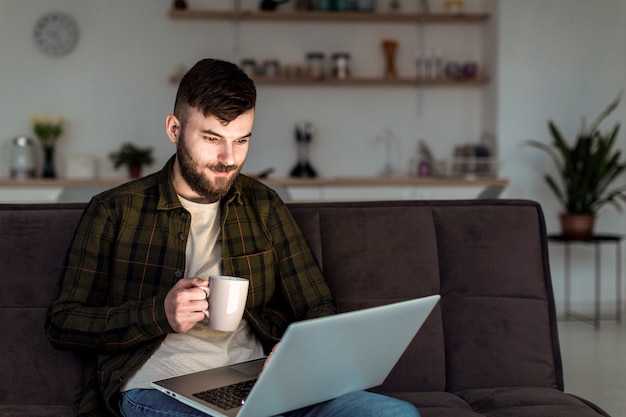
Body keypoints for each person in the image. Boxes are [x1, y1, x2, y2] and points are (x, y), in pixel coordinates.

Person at [45, 58, 420, 417]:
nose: (228, 158)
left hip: (259, 382)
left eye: (241, 140)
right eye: (212, 138)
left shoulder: (264, 205)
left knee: (395, 412)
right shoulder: (115, 210)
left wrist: (292, 356)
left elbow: (317, 306)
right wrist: (158, 313)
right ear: (174, 129)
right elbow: (63, 323)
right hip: (155, 386)